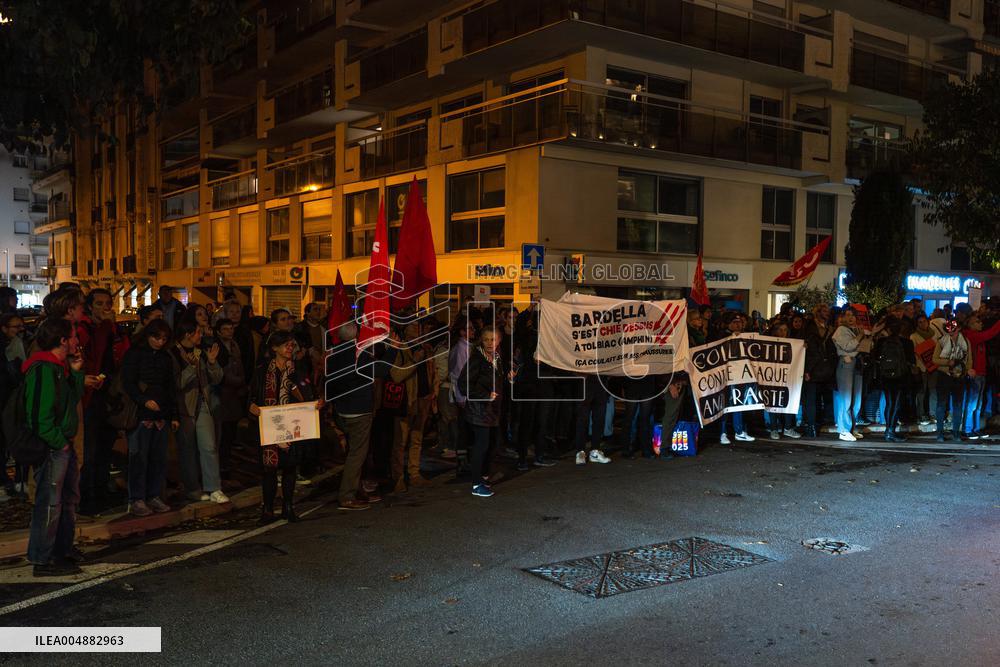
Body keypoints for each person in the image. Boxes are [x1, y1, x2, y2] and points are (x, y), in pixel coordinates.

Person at [24, 318, 86, 577]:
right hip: (54, 446)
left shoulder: (59, 368)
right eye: (73, 337)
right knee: (50, 503)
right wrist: (59, 443)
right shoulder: (43, 369)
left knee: (68, 500)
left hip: (62, 444)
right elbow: (39, 416)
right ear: (62, 340)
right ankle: (43, 557)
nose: (76, 341)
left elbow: (72, 400)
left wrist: (77, 371)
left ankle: (62, 549)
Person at [249, 331, 323, 523]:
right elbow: (251, 396)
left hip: (292, 425)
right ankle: (267, 509)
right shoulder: (262, 371)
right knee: (269, 469)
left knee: (290, 467)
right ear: (274, 348)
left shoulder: (297, 370)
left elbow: (308, 394)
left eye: (292, 345)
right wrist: (252, 407)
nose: (290, 348)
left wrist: (315, 404)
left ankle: (288, 507)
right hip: (270, 425)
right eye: (286, 345)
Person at [328, 322, 394, 510]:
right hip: (358, 410)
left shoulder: (333, 354)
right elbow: (380, 371)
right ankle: (347, 496)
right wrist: (392, 350)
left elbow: (330, 382)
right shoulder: (358, 354)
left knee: (354, 452)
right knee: (357, 454)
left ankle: (356, 489)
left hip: (343, 409)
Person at [120, 320, 176, 517]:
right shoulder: (135, 354)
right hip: (141, 413)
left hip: (161, 413)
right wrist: (143, 400)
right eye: (156, 337)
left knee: (158, 458)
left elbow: (170, 386)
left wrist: (172, 414)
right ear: (147, 335)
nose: (159, 342)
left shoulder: (165, 357)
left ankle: (153, 495)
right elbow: (128, 382)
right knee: (139, 458)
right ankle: (137, 498)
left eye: (163, 339)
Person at [170, 319, 228, 503]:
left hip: (203, 403)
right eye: (198, 332)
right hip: (184, 406)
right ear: (188, 334)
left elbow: (217, 378)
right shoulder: (173, 353)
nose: (201, 335)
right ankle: (192, 488)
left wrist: (211, 362)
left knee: (209, 446)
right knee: (187, 449)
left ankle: (214, 488)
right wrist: (190, 368)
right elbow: (176, 383)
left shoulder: (201, 352)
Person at [458, 326, 507, 497]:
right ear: (481, 340)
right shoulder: (476, 360)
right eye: (486, 339)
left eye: (493, 339)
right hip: (479, 410)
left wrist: (509, 378)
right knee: (481, 446)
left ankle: (483, 476)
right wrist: (485, 395)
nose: (489, 343)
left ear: (499, 340)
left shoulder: (497, 358)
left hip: (492, 411)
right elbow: (463, 385)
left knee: (491, 445)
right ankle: (476, 484)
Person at [388, 321, 436, 491]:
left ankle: (414, 473)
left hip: (423, 399)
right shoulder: (400, 349)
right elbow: (396, 375)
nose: (417, 329)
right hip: (406, 401)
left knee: (417, 438)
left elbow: (431, 372)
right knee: (400, 441)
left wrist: (432, 392)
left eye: (419, 326)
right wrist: (414, 361)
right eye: (413, 326)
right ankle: (398, 477)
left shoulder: (425, 347)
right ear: (404, 329)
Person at [832, 308, 874, 442]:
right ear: (843, 317)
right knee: (846, 399)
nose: (851, 318)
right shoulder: (841, 330)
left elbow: (867, 346)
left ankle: (851, 428)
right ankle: (843, 429)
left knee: (856, 399)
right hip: (846, 365)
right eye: (848, 315)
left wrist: (867, 337)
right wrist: (861, 336)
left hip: (857, 364)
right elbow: (848, 346)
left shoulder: (856, 330)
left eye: (853, 315)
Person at [872, 318, 915, 442]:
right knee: (896, 403)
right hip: (900, 376)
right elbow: (912, 361)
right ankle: (891, 430)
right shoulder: (907, 342)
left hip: (885, 376)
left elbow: (875, 357)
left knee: (889, 402)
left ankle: (888, 429)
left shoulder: (881, 341)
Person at [213, 318, 246, 480]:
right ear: (219, 331)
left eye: (231, 328)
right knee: (223, 432)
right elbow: (220, 372)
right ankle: (221, 464)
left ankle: (226, 462)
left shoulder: (235, 345)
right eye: (225, 329)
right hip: (223, 392)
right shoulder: (217, 347)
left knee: (231, 430)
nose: (229, 331)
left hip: (234, 393)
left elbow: (239, 365)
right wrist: (237, 381)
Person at [715, 313, 754, 444]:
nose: (739, 324)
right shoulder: (721, 335)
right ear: (729, 324)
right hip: (726, 376)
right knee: (726, 405)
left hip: (739, 376)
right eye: (735, 322)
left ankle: (739, 432)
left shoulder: (746, 336)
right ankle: (722, 433)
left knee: (739, 403)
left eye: (740, 322)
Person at [961, 313, 1000, 438]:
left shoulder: (976, 336)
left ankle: (976, 428)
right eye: (977, 322)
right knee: (972, 403)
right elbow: (990, 333)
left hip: (981, 373)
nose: (981, 323)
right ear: (971, 325)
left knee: (978, 403)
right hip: (975, 373)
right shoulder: (971, 335)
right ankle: (967, 429)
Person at [932, 320, 969, 442]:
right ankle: (940, 432)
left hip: (959, 375)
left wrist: (966, 370)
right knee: (941, 404)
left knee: (957, 405)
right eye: (949, 329)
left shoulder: (965, 341)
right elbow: (935, 359)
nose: (951, 332)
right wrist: (948, 362)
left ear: (958, 329)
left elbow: (969, 359)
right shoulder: (942, 341)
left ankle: (956, 432)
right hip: (944, 375)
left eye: (953, 329)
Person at [910, 313, 938, 425]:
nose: (922, 324)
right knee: (921, 391)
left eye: (924, 321)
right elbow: (914, 353)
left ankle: (933, 413)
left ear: (928, 321)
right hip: (922, 367)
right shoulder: (914, 336)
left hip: (934, 366)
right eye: (920, 322)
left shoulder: (934, 334)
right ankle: (920, 414)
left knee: (933, 390)